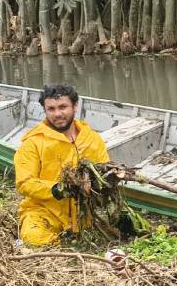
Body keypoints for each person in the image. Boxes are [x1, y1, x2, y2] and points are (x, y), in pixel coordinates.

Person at [14, 84, 110, 246]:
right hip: (45, 211)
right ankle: (61, 245)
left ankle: (73, 238)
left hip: (83, 214)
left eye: (63, 107)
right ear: (45, 110)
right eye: (51, 109)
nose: (57, 114)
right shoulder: (33, 142)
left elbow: (103, 174)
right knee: (34, 237)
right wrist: (58, 189)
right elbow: (24, 183)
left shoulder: (92, 139)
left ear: (75, 106)